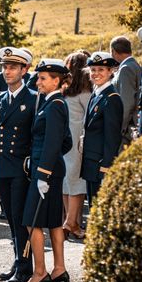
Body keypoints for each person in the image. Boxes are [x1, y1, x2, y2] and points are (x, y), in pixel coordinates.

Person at [18, 59, 72, 282]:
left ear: (57, 80)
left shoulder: (55, 104)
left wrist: (43, 173)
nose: (37, 81)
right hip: (48, 169)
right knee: (53, 223)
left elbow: (52, 142)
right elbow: (66, 142)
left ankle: (40, 273)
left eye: (42, 78)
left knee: (32, 221)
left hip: (46, 173)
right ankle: (59, 269)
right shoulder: (52, 102)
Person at [0, 48, 40, 282]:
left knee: (20, 219)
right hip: (3, 166)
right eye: (4, 67)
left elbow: (35, 133)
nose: (7, 71)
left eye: (12, 67)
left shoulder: (33, 97)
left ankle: (24, 267)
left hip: (21, 167)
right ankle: (17, 262)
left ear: (24, 70)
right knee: (10, 217)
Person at [81, 52, 123, 203]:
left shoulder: (112, 98)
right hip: (90, 162)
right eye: (93, 70)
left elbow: (112, 137)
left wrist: (106, 168)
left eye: (101, 70)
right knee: (93, 206)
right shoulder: (96, 94)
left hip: (100, 165)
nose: (96, 74)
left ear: (111, 71)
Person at [61, 52, 92, 240]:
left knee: (67, 181)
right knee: (77, 181)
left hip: (65, 139)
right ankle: (72, 222)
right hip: (78, 140)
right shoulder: (85, 93)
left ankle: (69, 219)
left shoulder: (65, 92)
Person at [110, 36, 142, 148]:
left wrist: (120, 128)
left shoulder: (125, 68)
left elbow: (127, 103)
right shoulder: (134, 64)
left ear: (113, 51)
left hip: (127, 128)